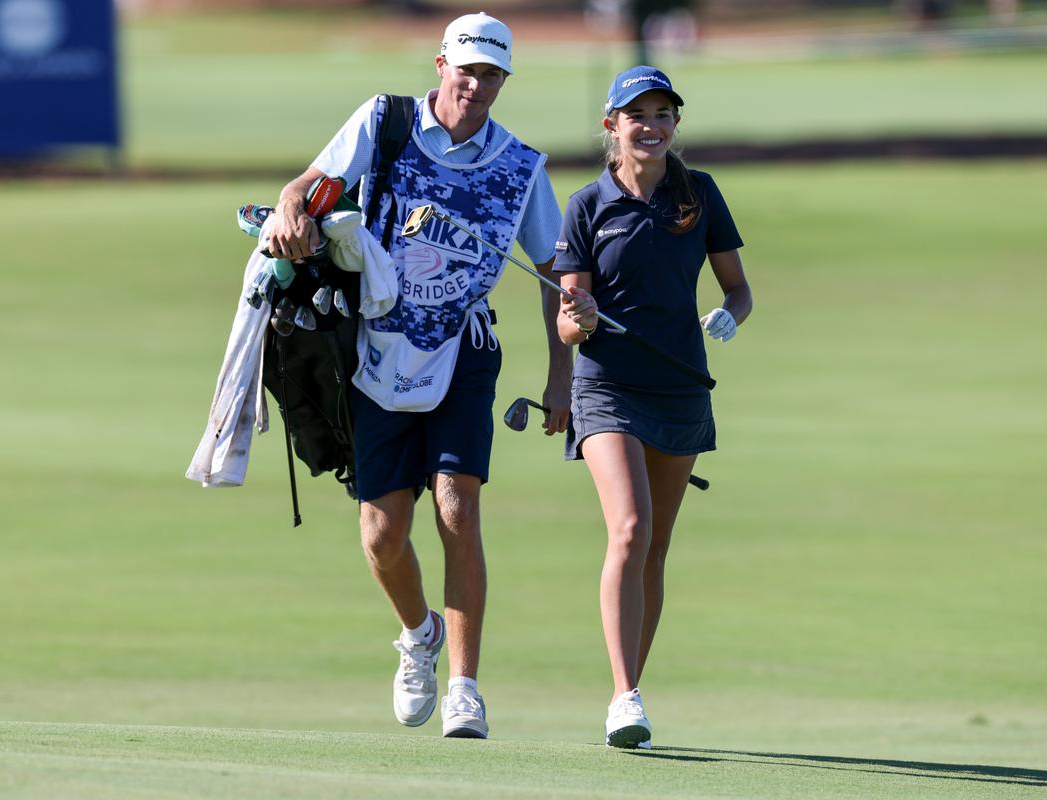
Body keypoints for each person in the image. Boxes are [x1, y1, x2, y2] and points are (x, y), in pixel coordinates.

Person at [261, 12, 571, 739]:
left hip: (464, 349)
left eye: (492, 73)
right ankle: (419, 634)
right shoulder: (386, 120)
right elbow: (312, 181)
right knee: (381, 534)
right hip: (377, 351)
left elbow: (557, 274)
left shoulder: (521, 166)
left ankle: (465, 686)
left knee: (457, 510)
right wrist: (287, 209)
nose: (476, 84)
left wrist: (563, 376)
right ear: (441, 64)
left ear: (503, 80)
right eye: (467, 69)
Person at [552, 65, 752, 749]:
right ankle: (623, 696)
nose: (653, 125)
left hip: (681, 385)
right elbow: (568, 325)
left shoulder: (699, 194)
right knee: (630, 529)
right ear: (612, 126)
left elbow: (738, 289)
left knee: (657, 547)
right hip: (607, 386)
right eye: (638, 114)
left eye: (664, 113)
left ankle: (634, 684)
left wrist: (729, 315)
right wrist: (578, 315)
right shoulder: (586, 206)